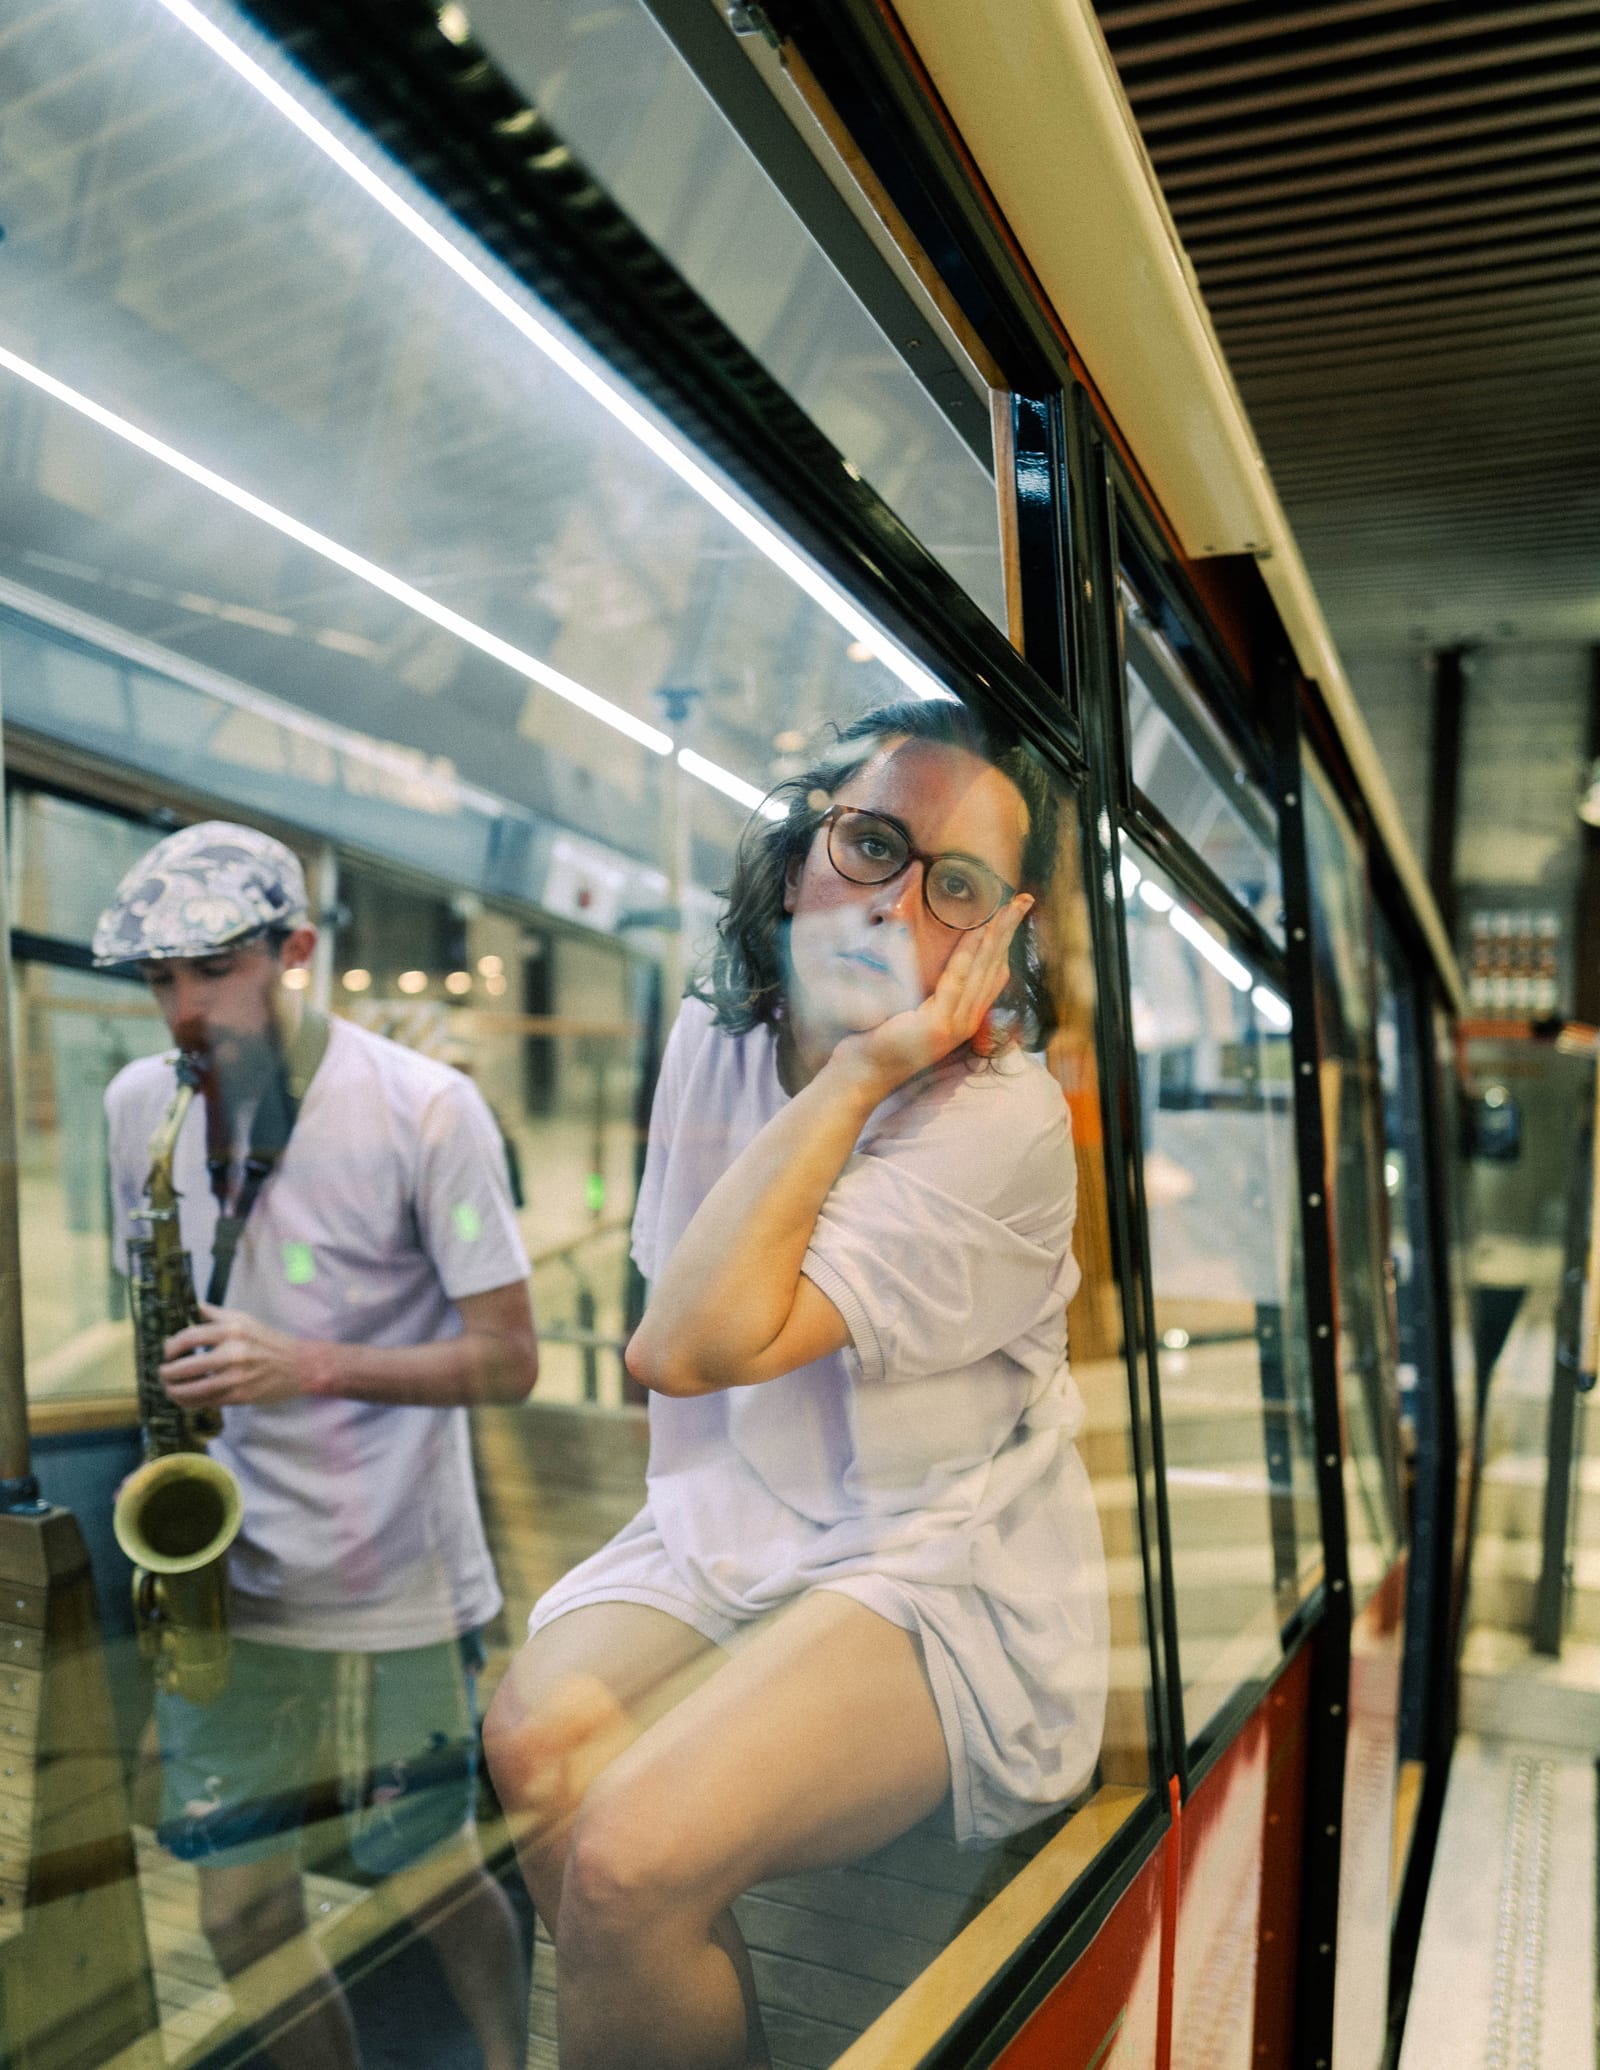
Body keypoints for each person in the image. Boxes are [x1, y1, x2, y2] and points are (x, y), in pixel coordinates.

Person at [484, 701, 1109, 2070]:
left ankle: (654, 1946)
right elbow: (690, 1319)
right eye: (870, 842)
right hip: (733, 1520)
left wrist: (868, 1065)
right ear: (798, 856)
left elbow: (684, 1344)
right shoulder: (716, 1040)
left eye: (954, 884)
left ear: (998, 939)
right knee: (535, 1744)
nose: (892, 901)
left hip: (927, 1559)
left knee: (636, 1851)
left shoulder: (997, 1118)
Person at [96, 822, 537, 2070]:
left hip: (394, 1580)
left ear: (294, 951)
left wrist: (312, 1368)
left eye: (212, 970)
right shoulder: (142, 1107)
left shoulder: (428, 1112)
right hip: (226, 1581)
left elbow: (511, 1360)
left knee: (429, 1877)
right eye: (158, 979)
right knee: (240, 1913)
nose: (182, 1010)